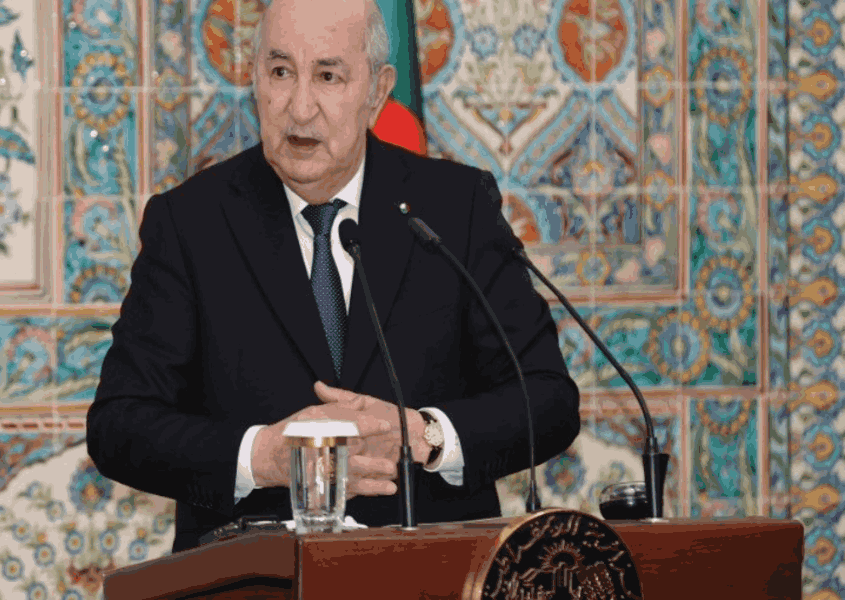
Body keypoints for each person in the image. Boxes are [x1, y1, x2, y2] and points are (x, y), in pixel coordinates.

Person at [86, 0, 580, 553]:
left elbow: (548, 399)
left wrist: (425, 435)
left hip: (430, 570)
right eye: (280, 72)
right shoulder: (191, 222)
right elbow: (119, 425)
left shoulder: (453, 209)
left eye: (328, 76)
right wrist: (263, 457)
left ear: (377, 91)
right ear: (254, 79)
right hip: (253, 578)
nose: (300, 109)